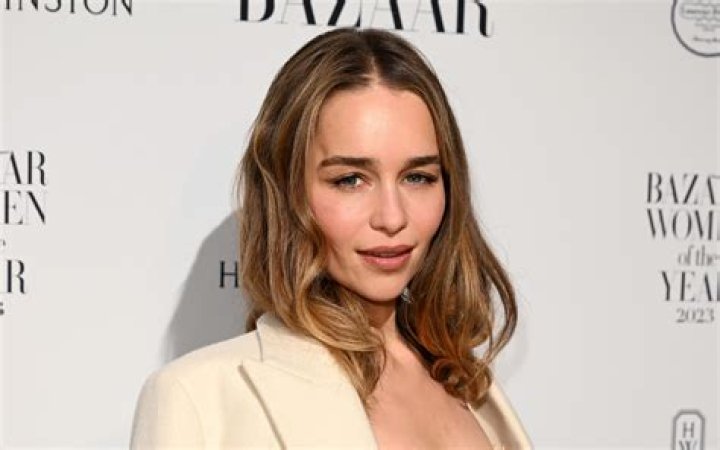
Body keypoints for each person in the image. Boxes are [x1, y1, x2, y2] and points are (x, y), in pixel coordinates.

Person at [130, 27, 531, 449]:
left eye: (417, 177)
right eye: (350, 179)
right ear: (287, 193)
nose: (392, 217)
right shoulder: (197, 399)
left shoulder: (469, 383)